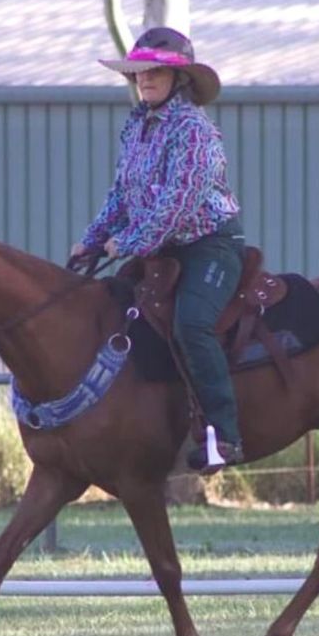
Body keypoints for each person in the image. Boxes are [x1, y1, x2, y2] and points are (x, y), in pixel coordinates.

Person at [68, 27, 245, 473]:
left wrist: (123, 242)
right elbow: (121, 194)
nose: (144, 79)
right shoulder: (136, 127)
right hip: (158, 247)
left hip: (209, 245)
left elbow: (177, 205)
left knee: (192, 324)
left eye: (155, 71)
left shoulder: (194, 131)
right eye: (138, 72)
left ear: (178, 78)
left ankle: (224, 435)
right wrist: (91, 240)